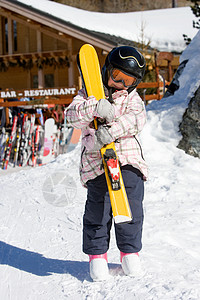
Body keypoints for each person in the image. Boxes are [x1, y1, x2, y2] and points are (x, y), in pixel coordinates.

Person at [65, 46, 148, 281]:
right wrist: (94, 106)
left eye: (127, 81)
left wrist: (111, 131)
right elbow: (71, 117)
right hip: (95, 162)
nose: (120, 84)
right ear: (107, 71)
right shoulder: (86, 95)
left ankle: (129, 252)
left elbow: (137, 119)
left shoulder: (132, 98)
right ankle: (97, 256)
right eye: (116, 77)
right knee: (98, 210)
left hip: (127, 158)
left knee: (130, 206)